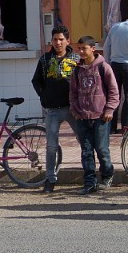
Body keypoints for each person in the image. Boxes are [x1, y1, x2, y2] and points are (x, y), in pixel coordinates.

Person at [31, 25, 81, 193]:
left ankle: (90, 175)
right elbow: (36, 80)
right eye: (55, 40)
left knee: (84, 141)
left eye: (61, 39)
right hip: (52, 110)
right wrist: (43, 96)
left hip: (73, 109)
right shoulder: (45, 60)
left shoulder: (76, 59)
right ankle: (50, 179)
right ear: (51, 41)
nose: (58, 43)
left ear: (68, 41)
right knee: (51, 146)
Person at [70, 36, 120, 194]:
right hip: (82, 117)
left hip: (100, 117)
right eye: (79, 49)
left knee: (102, 150)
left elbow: (113, 91)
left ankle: (107, 175)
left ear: (93, 49)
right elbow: (73, 93)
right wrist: (75, 112)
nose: (81, 52)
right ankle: (89, 182)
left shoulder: (103, 67)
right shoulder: (77, 70)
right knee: (86, 151)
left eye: (84, 48)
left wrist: (110, 109)